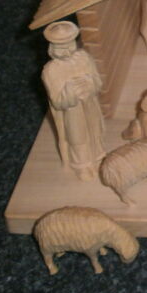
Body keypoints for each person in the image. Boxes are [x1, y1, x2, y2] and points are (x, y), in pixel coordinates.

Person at [41, 21, 105, 181]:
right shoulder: (51, 70)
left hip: (90, 104)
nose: (66, 51)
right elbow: (56, 101)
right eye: (61, 47)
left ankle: (98, 158)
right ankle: (82, 166)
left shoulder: (84, 58)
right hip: (72, 110)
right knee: (77, 137)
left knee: (95, 129)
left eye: (69, 45)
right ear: (52, 48)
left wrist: (89, 83)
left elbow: (98, 81)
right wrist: (70, 90)